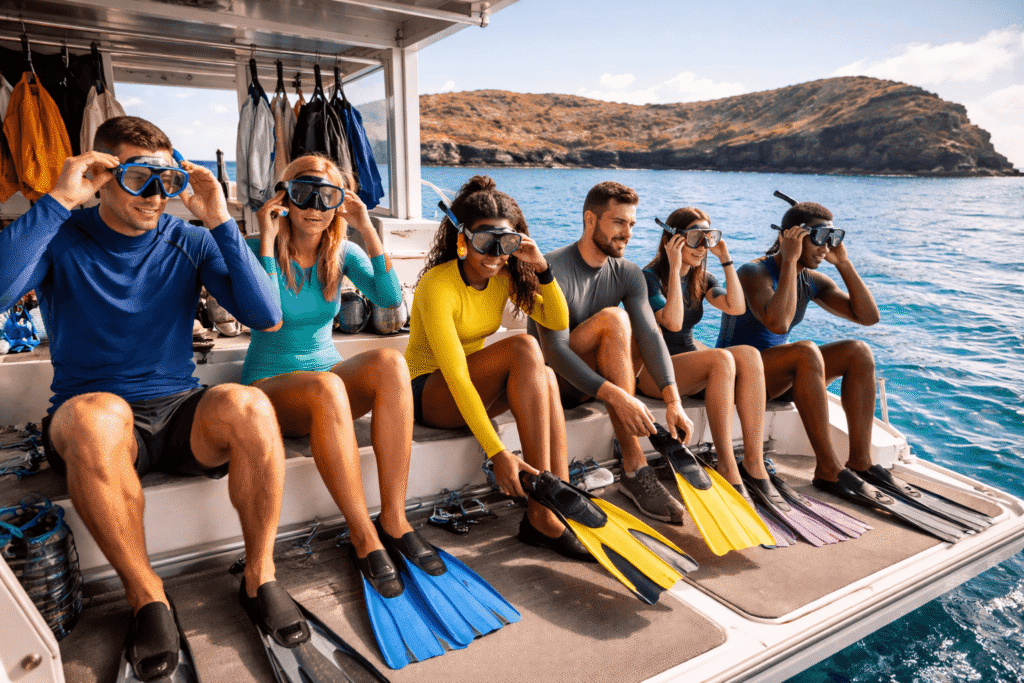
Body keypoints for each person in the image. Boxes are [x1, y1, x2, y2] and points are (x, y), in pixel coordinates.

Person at [0, 116, 296, 679]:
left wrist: (218, 218)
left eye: (165, 180)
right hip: (95, 421)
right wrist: (58, 199)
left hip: (178, 410)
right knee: (98, 415)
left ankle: (259, 576)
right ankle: (147, 596)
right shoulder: (63, 235)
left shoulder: (187, 239)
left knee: (250, 405)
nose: (156, 196)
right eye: (139, 179)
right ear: (102, 178)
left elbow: (266, 316)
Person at [242, 153, 422, 591]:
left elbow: (388, 299)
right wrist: (266, 239)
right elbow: (265, 316)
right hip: (269, 392)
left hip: (325, 389)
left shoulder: (342, 251)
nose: (316, 207)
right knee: (325, 386)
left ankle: (394, 520)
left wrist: (366, 228)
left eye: (328, 197)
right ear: (284, 196)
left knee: (391, 363)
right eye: (304, 193)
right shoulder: (253, 246)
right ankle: (363, 537)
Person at [405, 175, 585, 558]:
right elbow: (455, 375)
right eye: (486, 241)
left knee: (547, 375)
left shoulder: (502, 277)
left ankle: (561, 496)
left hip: (468, 387)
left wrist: (541, 269)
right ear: (462, 238)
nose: (496, 253)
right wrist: (497, 452)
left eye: (507, 243)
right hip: (427, 395)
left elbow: (556, 319)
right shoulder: (438, 285)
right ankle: (540, 514)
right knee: (523, 345)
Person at [529, 181, 694, 524]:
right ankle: (635, 465)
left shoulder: (629, 273)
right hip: (553, 384)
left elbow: (650, 335)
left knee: (634, 327)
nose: (627, 234)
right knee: (614, 319)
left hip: (598, 379)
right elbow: (554, 352)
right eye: (618, 222)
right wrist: (618, 397)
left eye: (632, 225)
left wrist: (673, 400)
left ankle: (635, 475)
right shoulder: (550, 269)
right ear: (591, 220)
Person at [716, 198, 881, 484]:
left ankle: (860, 461)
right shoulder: (753, 273)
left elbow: (868, 317)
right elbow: (777, 323)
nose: (824, 248)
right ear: (792, 237)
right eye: (818, 238)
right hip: (740, 380)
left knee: (858, 351)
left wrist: (843, 263)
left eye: (831, 239)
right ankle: (828, 468)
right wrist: (789, 258)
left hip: (780, 379)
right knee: (805, 351)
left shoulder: (813, 280)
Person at [638, 207, 772, 485]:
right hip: (654, 373)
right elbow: (672, 323)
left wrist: (725, 259)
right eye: (695, 238)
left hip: (687, 366)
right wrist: (674, 268)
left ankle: (753, 462)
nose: (702, 247)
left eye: (708, 238)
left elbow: (736, 307)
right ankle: (726, 466)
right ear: (673, 240)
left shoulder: (702, 278)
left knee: (749, 354)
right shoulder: (648, 278)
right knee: (721, 359)